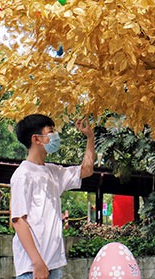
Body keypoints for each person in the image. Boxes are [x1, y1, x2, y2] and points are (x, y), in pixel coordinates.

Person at [10, 114, 96, 279]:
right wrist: (37, 263)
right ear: (36, 139)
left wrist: (90, 137)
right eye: (51, 131)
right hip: (33, 269)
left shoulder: (54, 172)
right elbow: (19, 221)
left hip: (54, 265)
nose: (56, 135)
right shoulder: (23, 175)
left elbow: (87, 170)